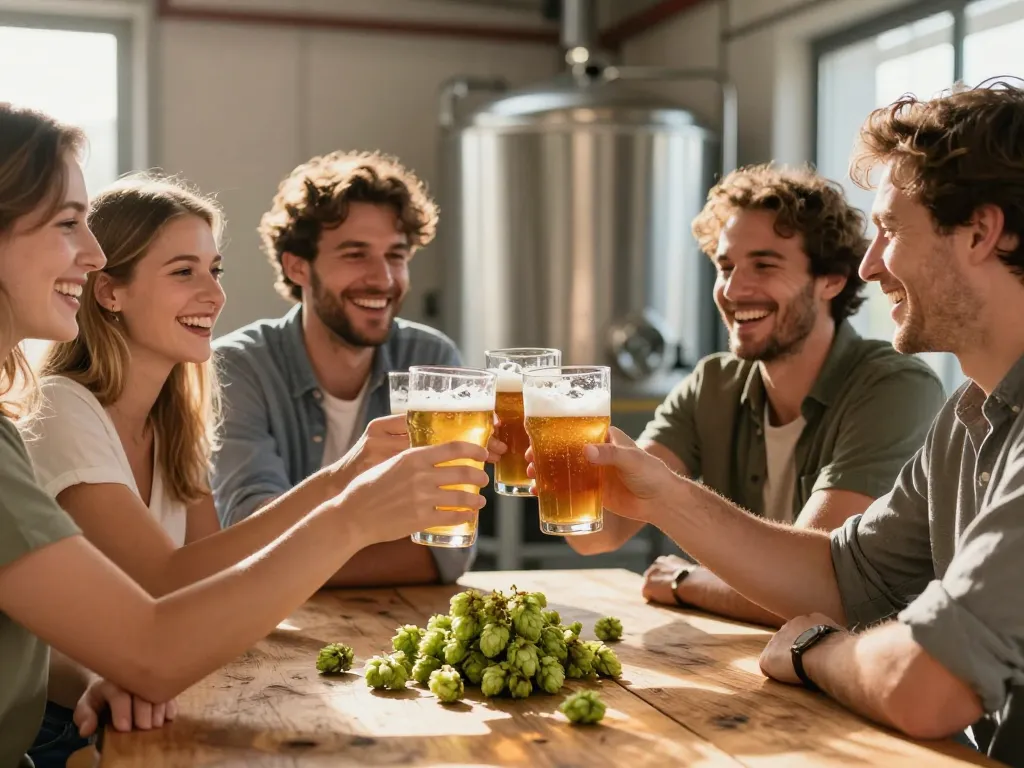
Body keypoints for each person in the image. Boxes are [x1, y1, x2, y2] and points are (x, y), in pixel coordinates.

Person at [0, 102, 489, 768]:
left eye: (214, 270)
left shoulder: (175, 416)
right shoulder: (59, 410)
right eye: (67, 225)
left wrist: (343, 484)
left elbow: (200, 575)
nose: (89, 255)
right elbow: (162, 602)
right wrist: (346, 507)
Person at [550, 81, 1024, 763]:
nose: (870, 264)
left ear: (980, 233)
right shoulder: (970, 414)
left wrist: (814, 651)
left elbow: (927, 685)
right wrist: (662, 495)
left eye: (889, 230)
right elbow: (840, 575)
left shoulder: (911, 391)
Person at [565, 163, 946, 626]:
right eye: (725, 267)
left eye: (764, 265)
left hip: (864, 675)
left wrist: (689, 583)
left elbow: (820, 591)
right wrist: (558, 464)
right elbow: (597, 535)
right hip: (761, 663)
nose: (733, 288)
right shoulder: (713, 385)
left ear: (832, 279)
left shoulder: (896, 387)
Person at [211, 150, 487, 587]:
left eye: (396, 256)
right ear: (297, 266)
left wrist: (293, 562)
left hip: (396, 627)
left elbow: (447, 552)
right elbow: (247, 534)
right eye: (355, 255)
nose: (383, 279)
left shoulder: (431, 360)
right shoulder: (238, 367)